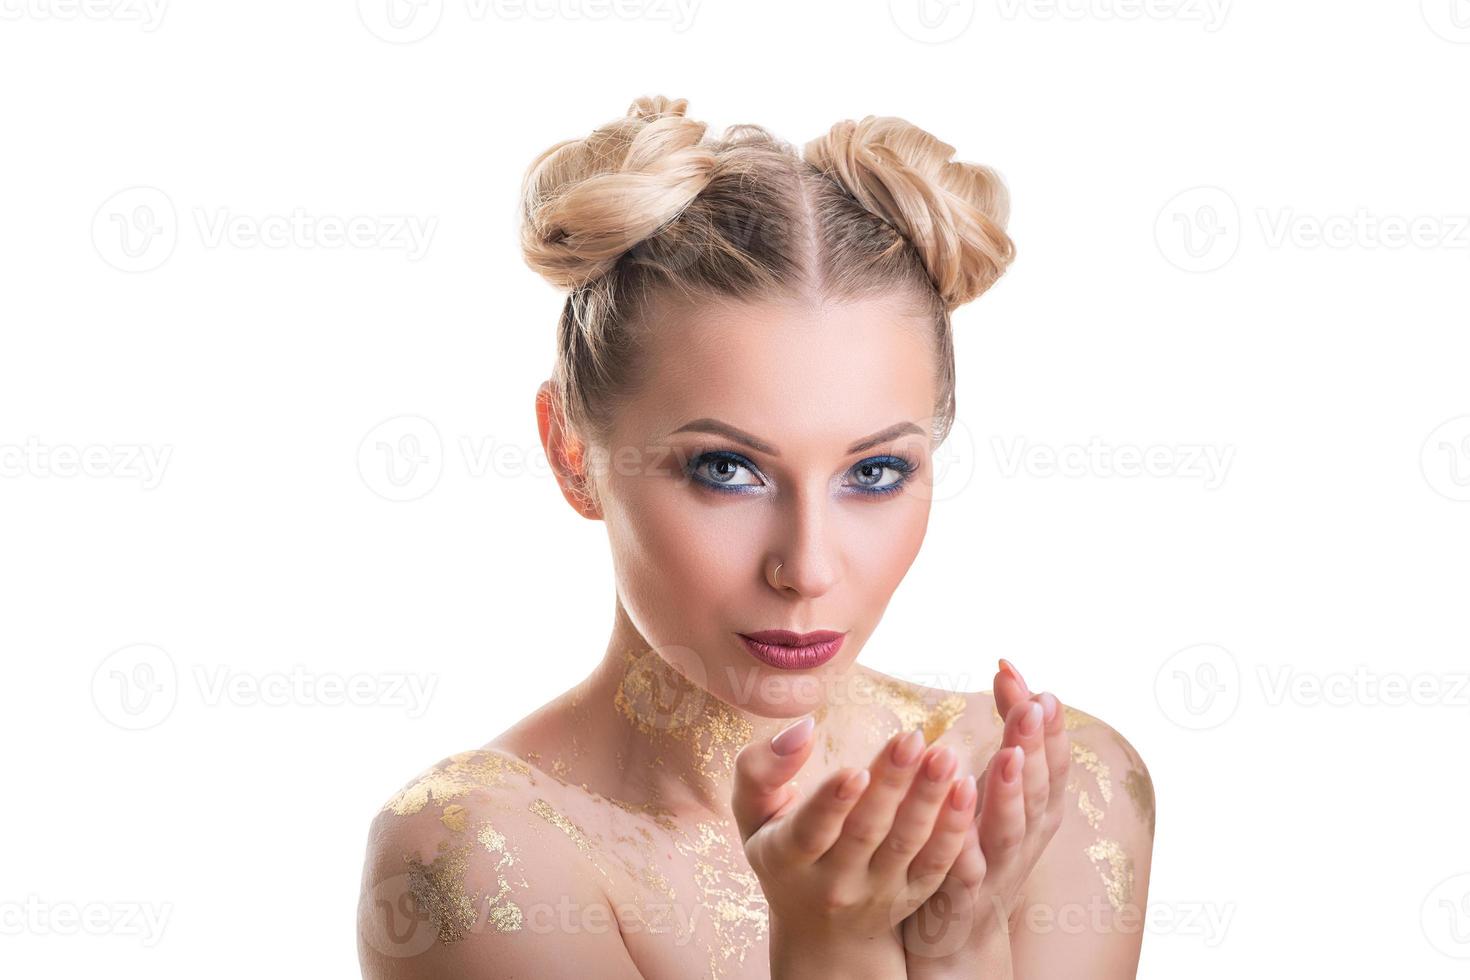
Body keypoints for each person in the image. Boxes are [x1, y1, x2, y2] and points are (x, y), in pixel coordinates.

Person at [357, 95, 1155, 979]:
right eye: (726, 471)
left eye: (876, 473)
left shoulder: (1056, 790)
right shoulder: (479, 857)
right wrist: (833, 946)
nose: (806, 568)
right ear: (571, 452)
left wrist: (962, 937)